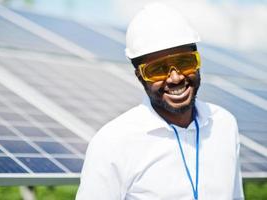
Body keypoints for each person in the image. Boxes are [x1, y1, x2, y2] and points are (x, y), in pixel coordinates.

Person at [76, 2, 244, 200]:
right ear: (140, 76)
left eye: (184, 62)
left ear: (198, 62)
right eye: (157, 70)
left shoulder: (224, 125)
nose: (175, 78)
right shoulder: (113, 143)